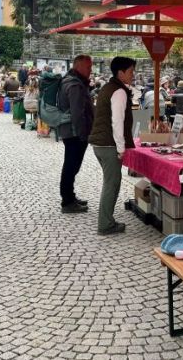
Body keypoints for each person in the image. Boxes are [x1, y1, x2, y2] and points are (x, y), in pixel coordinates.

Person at [88, 56, 136, 235]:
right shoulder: (119, 91)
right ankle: (105, 224)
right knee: (111, 184)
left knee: (111, 182)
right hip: (109, 145)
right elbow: (117, 121)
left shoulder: (108, 88)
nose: (133, 74)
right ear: (120, 73)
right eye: (131, 71)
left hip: (101, 143)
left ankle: (107, 220)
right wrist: (121, 147)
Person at [57, 55, 94, 214]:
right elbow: (77, 113)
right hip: (74, 133)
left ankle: (70, 196)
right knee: (71, 166)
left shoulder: (70, 81)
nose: (90, 70)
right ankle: (67, 201)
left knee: (71, 165)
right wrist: (83, 134)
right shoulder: (75, 85)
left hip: (71, 131)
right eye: (88, 67)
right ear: (78, 66)